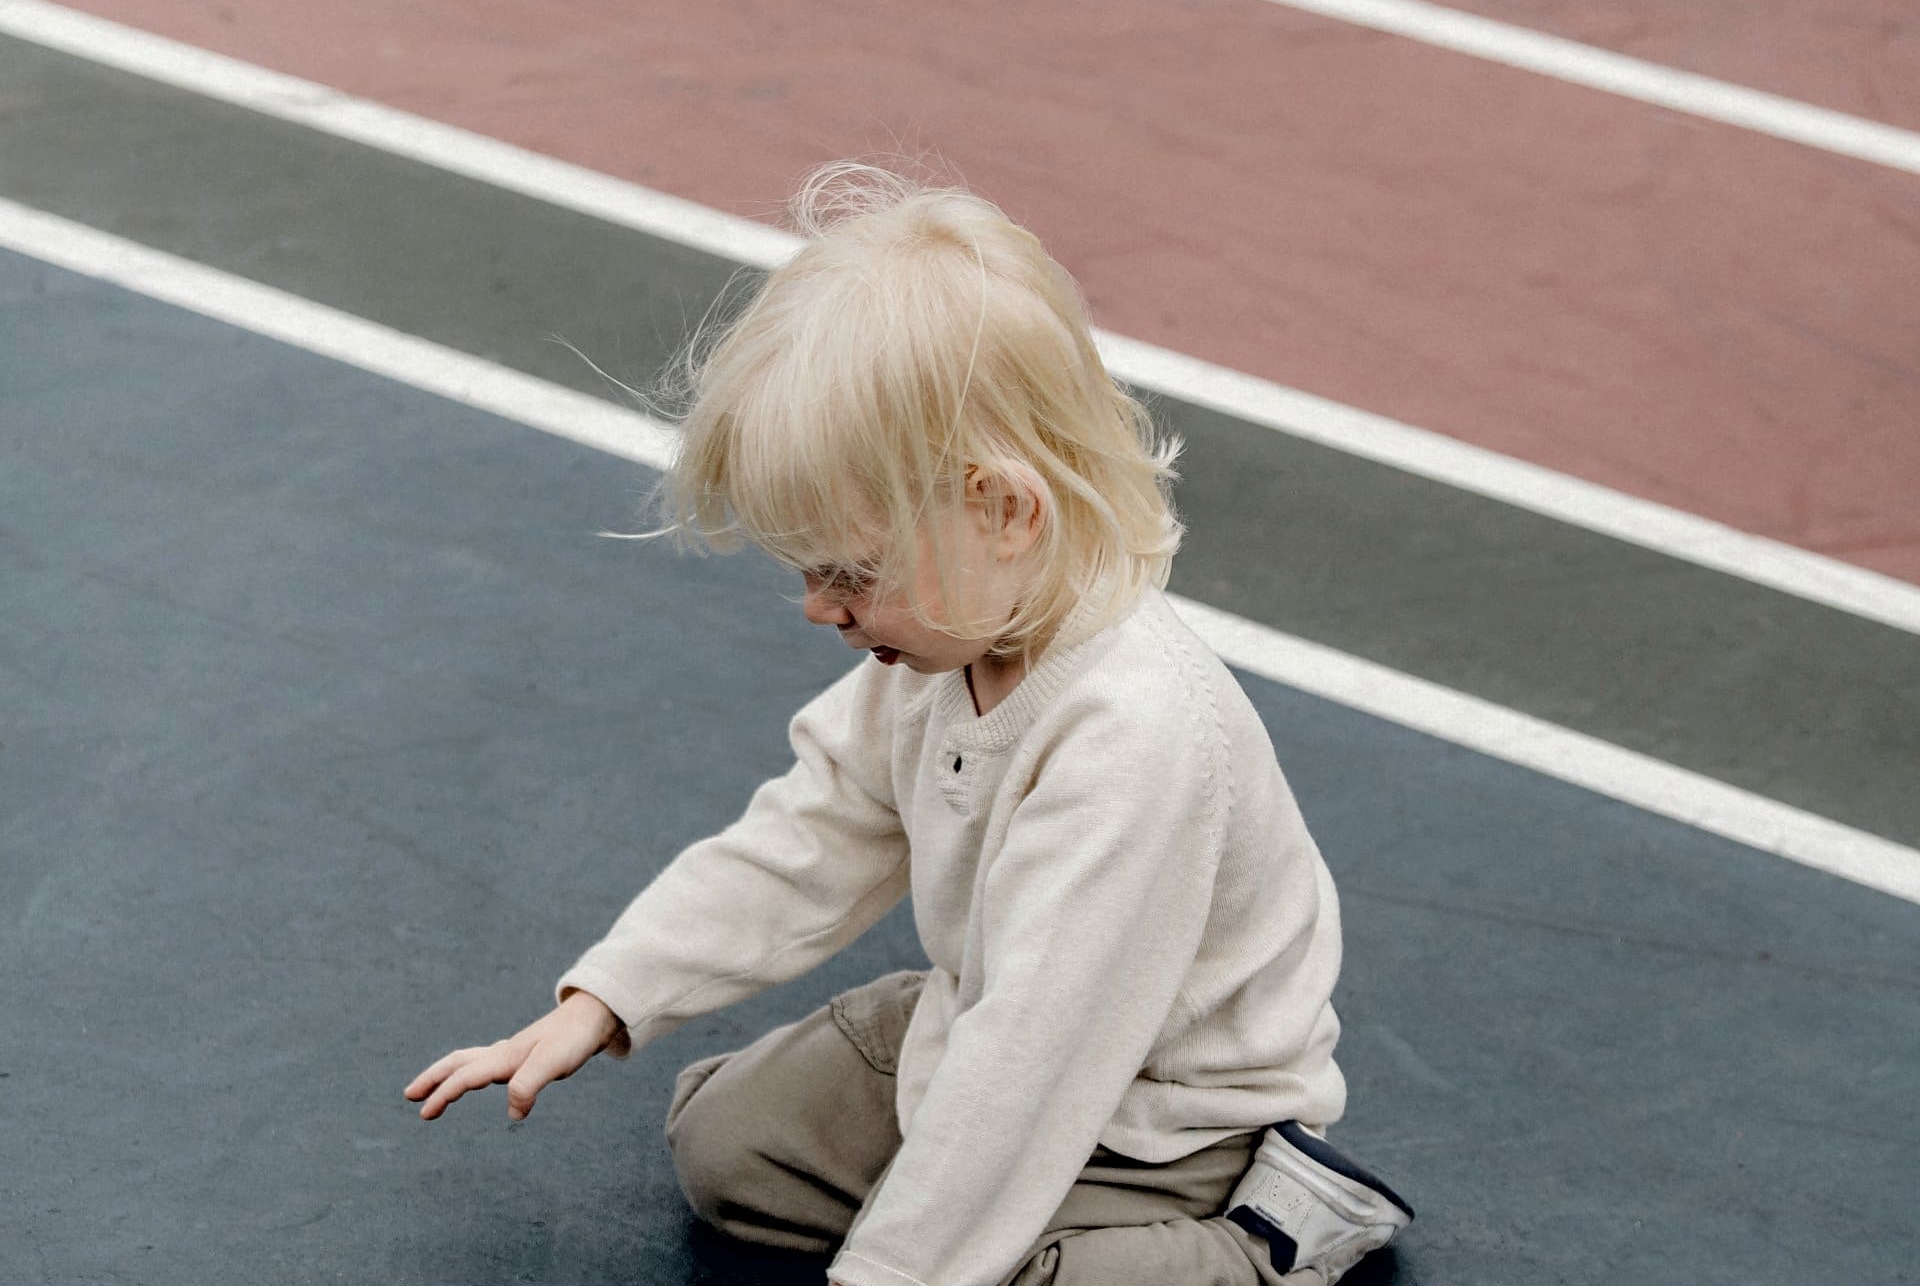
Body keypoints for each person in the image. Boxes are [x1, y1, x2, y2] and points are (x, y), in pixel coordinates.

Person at [404, 163, 1412, 1285]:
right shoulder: (943, 638)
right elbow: (815, 833)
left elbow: (1031, 1067)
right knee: (728, 1152)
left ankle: (1274, 1236)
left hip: (1163, 1120)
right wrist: (610, 994)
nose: (818, 607)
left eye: (852, 570)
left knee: (1013, 1266)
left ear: (1003, 511)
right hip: (987, 1018)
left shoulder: (1134, 737)